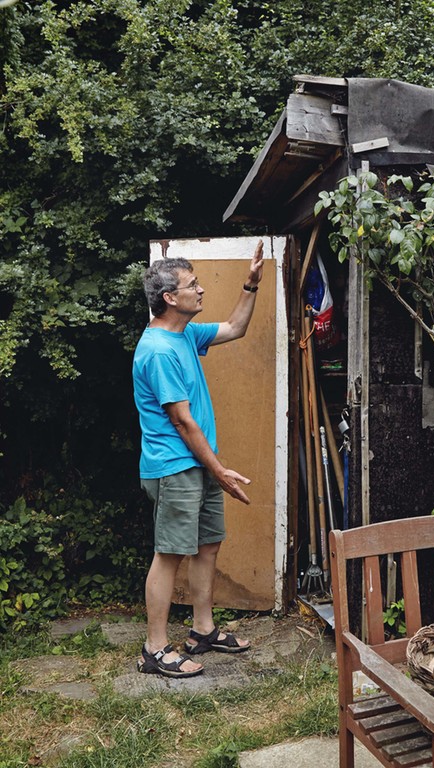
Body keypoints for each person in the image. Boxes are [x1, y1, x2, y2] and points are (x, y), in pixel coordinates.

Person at [132, 242, 264, 678]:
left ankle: (202, 631)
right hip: (175, 467)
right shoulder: (158, 350)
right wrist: (219, 470)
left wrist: (251, 284)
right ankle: (154, 649)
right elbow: (183, 423)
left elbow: (234, 327)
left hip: (198, 465)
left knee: (208, 544)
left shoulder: (184, 334)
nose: (201, 290)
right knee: (170, 553)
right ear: (170, 297)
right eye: (193, 285)